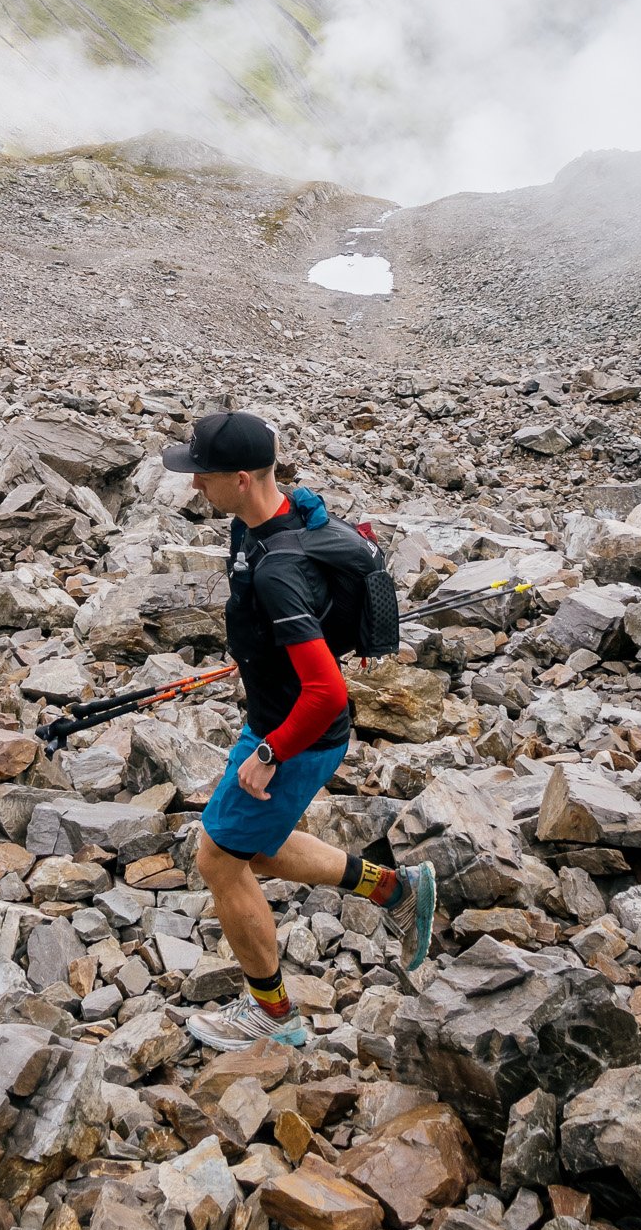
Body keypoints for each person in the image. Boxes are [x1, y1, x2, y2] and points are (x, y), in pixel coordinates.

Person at [161, 409, 436, 1050]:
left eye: (204, 474)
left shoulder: (280, 569)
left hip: (299, 733)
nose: (194, 485)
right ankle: (397, 890)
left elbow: (326, 690)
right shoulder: (256, 522)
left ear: (243, 478)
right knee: (252, 846)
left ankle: (273, 1018)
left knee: (218, 858)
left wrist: (269, 751)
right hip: (276, 718)